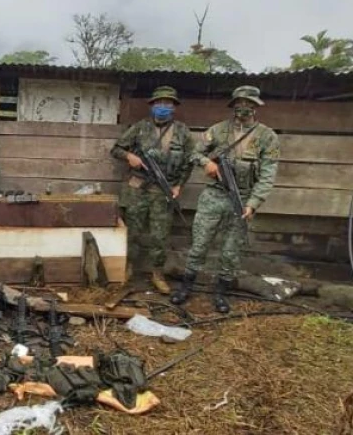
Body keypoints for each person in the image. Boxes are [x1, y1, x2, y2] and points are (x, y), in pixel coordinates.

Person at [171, 85, 280, 313]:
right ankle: (186, 287)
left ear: (256, 106)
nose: (244, 107)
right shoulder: (218, 131)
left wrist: (253, 203)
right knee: (199, 244)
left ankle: (221, 293)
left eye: (249, 103)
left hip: (242, 198)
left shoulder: (267, 137)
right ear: (233, 105)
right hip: (213, 196)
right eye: (240, 103)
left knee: (231, 251)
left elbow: (268, 174)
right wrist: (207, 163)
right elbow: (194, 153)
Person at [111, 86, 195, 294]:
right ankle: (127, 269)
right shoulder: (140, 128)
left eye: (167, 103)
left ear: (174, 107)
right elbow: (116, 149)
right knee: (132, 232)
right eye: (159, 103)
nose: (163, 107)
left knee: (160, 235)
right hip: (138, 188)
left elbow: (189, 162)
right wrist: (130, 156)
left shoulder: (183, 132)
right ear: (152, 106)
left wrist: (178, 186)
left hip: (163, 191)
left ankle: (157, 273)